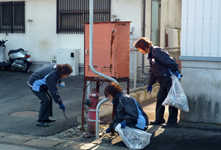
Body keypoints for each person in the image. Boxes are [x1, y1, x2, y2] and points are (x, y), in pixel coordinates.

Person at [133, 37, 181, 127]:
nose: (139, 51)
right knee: (160, 99)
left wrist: (175, 73)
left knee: (172, 101)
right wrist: (150, 83)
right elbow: (153, 71)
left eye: (139, 49)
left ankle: (172, 121)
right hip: (163, 81)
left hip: (170, 79)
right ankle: (159, 119)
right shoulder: (151, 55)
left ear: (143, 47)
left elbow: (170, 62)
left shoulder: (157, 51)